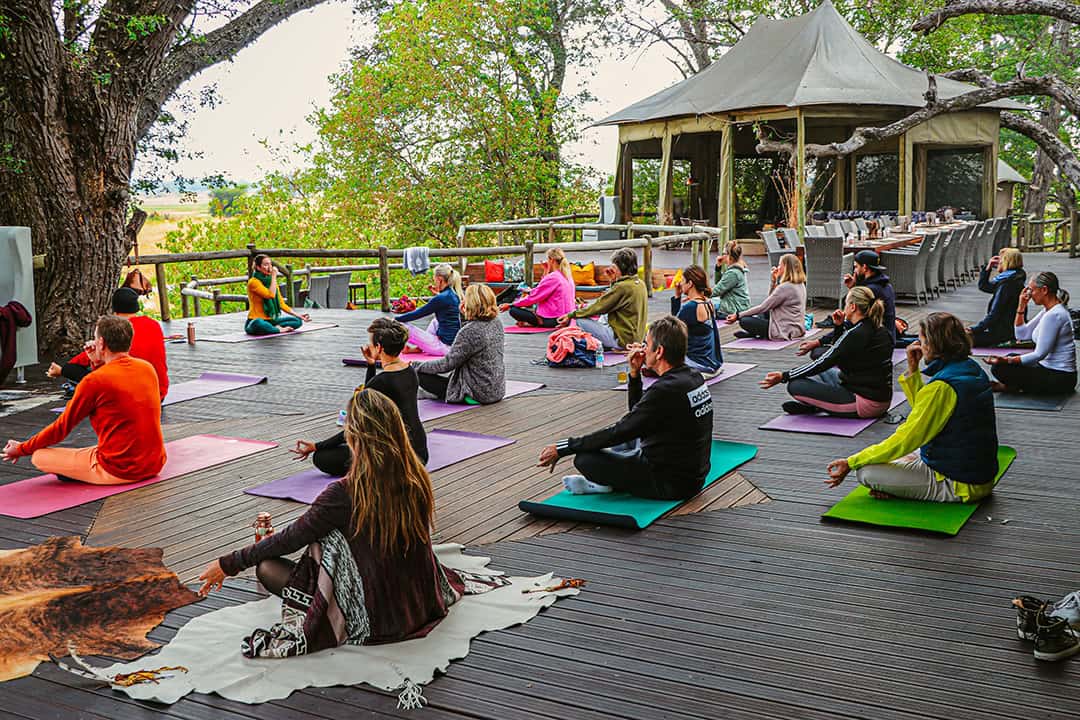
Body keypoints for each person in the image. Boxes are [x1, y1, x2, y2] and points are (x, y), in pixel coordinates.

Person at [197, 389, 503, 658]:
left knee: (268, 566)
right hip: (418, 601)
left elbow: (291, 538)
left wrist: (228, 563)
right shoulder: (415, 475)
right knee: (332, 535)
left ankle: (339, 608)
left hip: (375, 616)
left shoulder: (344, 493)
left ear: (353, 437)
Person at [824, 312, 999, 503]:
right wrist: (913, 369)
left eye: (922, 341)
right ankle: (902, 485)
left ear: (934, 344)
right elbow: (926, 415)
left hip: (959, 484)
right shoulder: (970, 368)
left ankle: (902, 490)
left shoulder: (942, 386)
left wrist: (851, 462)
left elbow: (907, 438)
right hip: (979, 475)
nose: (919, 346)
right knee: (903, 454)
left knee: (866, 472)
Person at [537, 316, 713, 500]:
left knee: (584, 458)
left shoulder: (666, 390)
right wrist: (635, 375)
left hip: (669, 484)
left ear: (659, 351)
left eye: (646, 344)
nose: (643, 348)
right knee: (623, 440)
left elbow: (620, 430)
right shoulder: (693, 377)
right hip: (693, 477)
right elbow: (639, 418)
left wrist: (564, 448)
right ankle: (608, 479)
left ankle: (603, 484)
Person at [2, 316, 167, 484]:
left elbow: (61, 428)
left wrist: (21, 449)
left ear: (101, 343)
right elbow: (115, 385)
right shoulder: (146, 368)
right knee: (85, 451)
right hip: (154, 463)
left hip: (120, 470)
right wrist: (96, 362)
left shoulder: (94, 381)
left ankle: (82, 474)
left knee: (39, 456)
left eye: (95, 338)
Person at [292, 318, 428, 475]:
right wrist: (371, 365)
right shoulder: (410, 372)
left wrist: (317, 446)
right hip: (419, 452)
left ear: (379, 347)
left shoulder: (381, 382)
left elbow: (356, 427)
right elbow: (369, 396)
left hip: (399, 459)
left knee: (322, 457)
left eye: (371, 343)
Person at [760, 287, 893, 417]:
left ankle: (817, 405)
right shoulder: (879, 329)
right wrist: (839, 327)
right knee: (807, 373)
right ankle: (817, 404)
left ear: (853, 307)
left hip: (865, 403)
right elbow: (840, 353)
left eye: (846, 303)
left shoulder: (857, 333)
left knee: (795, 385)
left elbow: (825, 360)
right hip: (879, 398)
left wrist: (783, 376)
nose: (844, 307)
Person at [48, 287, 169, 401]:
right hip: (158, 393)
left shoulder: (114, 331)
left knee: (77, 371)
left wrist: (61, 370)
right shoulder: (154, 325)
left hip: (129, 397)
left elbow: (74, 365)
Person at [985, 271, 1077, 395]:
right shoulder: (1048, 311)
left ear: (1044, 290)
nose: (1029, 294)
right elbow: (1021, 335)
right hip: (1049, 370)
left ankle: (1012, 387)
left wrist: (1007, 360)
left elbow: (1039, 354)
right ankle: (1014, 386)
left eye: (1031, 290)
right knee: (1010, 357)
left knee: (1000, 367)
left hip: (1060, 378)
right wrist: (1021, 305)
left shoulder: (1055, 315)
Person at [414, 284, 505, 404]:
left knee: (420, 373)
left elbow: (447, 364)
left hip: (478, 393)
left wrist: (415, 365)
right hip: (496, 390)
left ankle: (436, 393)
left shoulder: (471, 331)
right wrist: (463, 316)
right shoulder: (496, 322)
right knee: (452, 370)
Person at [557, 248, 647, 350]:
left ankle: (599, 345)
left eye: (614, 266)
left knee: (579, 320)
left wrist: (571, 315)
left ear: (620, 267)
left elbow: (598, 306)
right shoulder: (640, 283)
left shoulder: (622, 287)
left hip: (623, 340)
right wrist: (613, 281)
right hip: (636, 338)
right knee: (603, 316)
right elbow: (612, 301)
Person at [727, 253, 807, 341]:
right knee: (762, 313)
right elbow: (770, 301)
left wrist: (738, 315)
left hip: (783, 329)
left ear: (786, 268)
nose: (778, 267)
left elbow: (764, 306)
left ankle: (756, 332)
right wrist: (774, 281)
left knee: (744, 320)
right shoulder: (800, 284)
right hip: (795, 327)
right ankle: (753, 333)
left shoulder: (785, 287)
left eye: (780, 265)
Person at [395, 263, 463, 354]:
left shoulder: (441, 298)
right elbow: (444, 303)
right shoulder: (452, 294)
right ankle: (419, 348)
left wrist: (395, 320)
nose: (434, 281)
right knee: (435, 321)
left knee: (402, 326)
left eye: (434, 279)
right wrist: (437, 295)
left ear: (439, 279)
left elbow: (418, 313)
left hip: (443, 347)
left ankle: (421, 347)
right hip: (451, 345)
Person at [499, 247, 576, 328]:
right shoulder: (567, 276)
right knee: (528, 307)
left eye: (547, 259)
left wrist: (510, 305)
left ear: (551, 260)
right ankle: (534, 321)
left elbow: (534, 297)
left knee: (514, 310)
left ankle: (539, 322)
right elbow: (543, 287)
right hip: (567, 317)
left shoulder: (553, 277)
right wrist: (546, 270)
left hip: (553, 320)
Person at [671, 265, 723, 374]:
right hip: (711, 361)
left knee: (654, 357)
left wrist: (677, 298)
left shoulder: (691, 306)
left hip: (698, 362)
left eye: (683, 281)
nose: (680, 283)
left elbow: (672, 328)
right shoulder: (709, 303)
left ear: (690, 284)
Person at [970, 248, 1027, 347]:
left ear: (1006, 262)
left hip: (1003, 332)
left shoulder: (1007, 284)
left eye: (1000, 260)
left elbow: (994, 314)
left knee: (961, 339)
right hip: (1009, 328)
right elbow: (984, 286)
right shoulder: (1015, 277)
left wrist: (974, 329)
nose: (997, 263)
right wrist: (988, 268)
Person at [245, 254, 310, 336]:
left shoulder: (272, 282)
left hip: (271, 320)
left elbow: (281, 304)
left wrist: (299, 315)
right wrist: (274, 277)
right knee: (258, 323)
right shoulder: (253, 282)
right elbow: (270, 295)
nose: (269, 267)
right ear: (258, 267)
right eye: (265, 264)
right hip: (255, 320)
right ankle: (277, 329)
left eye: (270, 264)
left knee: (297, 321)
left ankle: (271, 328)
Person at [711, 241, 751, 316]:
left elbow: (716, 291)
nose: (722, 256)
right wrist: (718, 268)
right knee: (712, 302)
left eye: (724, 254)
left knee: (704, 306)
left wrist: (698, 294)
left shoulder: (733, 273)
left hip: (733, 310)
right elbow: (719, 284)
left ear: (730, 255)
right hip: (738, 306)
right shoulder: (737, 269)